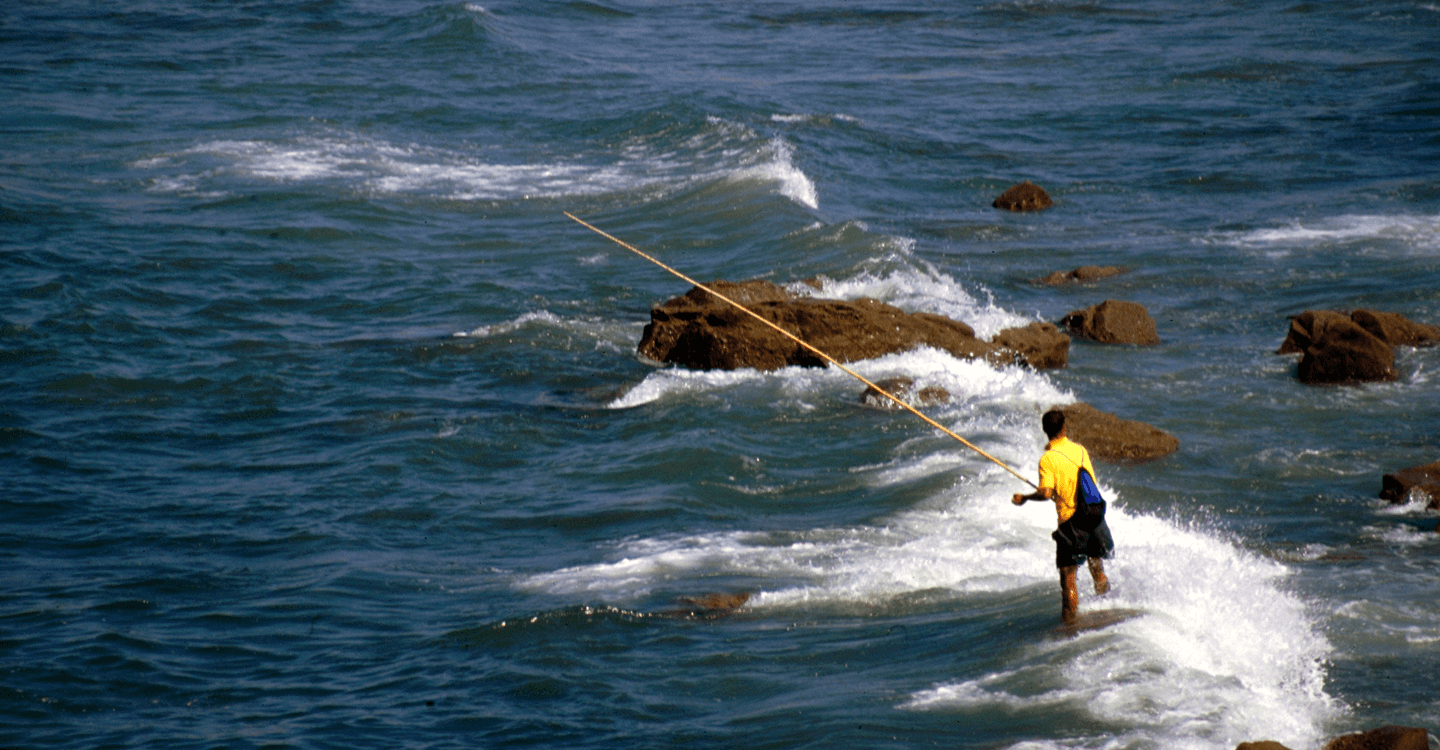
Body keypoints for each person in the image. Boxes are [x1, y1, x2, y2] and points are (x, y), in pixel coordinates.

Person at [1011, 408, 1113, 624]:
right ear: (1064, 428)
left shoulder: (1047, 459)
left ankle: (1069, 629)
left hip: (1071, 524)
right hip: (1093, 516)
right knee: (1098, 571)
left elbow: (1046, 493)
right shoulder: (1081, 450)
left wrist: (1027, 497)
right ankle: (1107, 611)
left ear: (1044, 430)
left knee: (1069, 581)